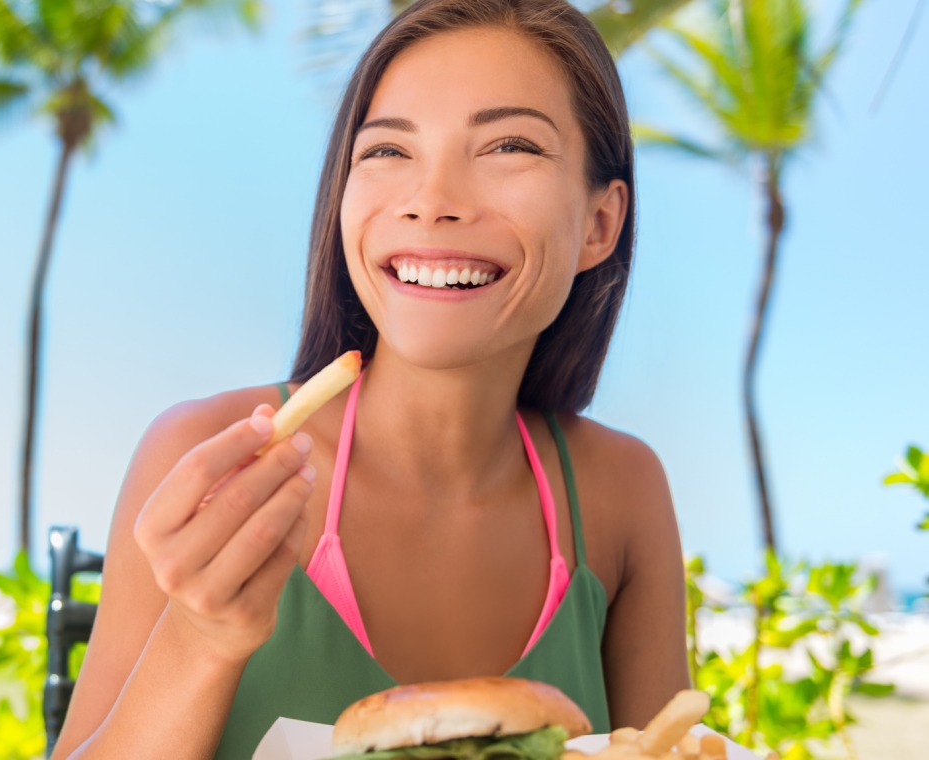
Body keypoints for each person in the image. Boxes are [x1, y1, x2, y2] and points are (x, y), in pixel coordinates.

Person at [53, 0, 690, 757]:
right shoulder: (211, 454)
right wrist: (198, 636)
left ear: (599, 224)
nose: (433, 201)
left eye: (509, 145)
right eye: (388, 151)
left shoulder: (623, 493)